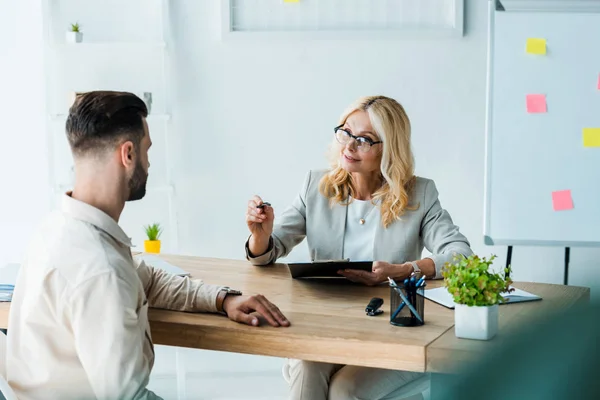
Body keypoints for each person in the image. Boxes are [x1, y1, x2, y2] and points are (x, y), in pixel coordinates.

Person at [7, 91, 290, 400]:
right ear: (127, 155)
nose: (149, 162)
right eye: (147, 149)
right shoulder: (99, 269)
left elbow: (147, 278)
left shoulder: (60, 227)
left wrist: (223, 299)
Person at [244, 95, 472, 400]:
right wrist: (260, 236)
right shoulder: (316, 186)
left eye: (364, 140)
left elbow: (462, 256)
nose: (349, 146)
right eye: (346, 133)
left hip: (394, 335)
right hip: (330, 327)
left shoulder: (420, 193)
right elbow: (271, 249)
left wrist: (407, 269)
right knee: (307, 368)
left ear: (389, 149)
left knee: (344, 390)